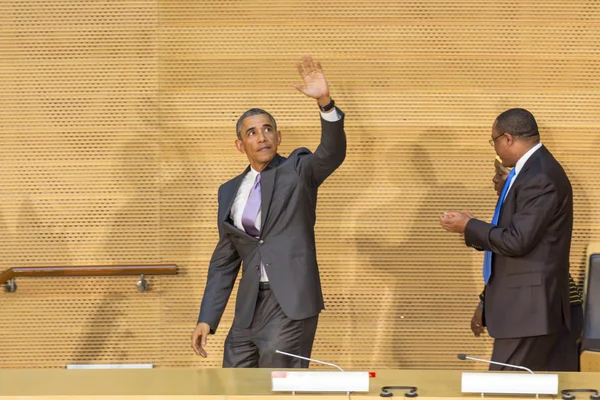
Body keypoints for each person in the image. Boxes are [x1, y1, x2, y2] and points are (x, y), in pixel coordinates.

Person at [190, 55, 346, 368]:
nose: (261, 137)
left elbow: (331, 153)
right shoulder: (229, 191)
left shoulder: (297, 170)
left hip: (288, 303)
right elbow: (224, 260)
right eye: (251, 132)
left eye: (267, 129)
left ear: (278, 137)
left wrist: (325, 103)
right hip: (248, 309)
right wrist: (207, 317)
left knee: (277, 387)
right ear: (240, 145)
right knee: (234, 385)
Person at [440, 108, 573, 371]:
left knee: (504, 391)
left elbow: (516, 241)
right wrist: (473, 228)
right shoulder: (530, 171)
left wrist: (469, 225)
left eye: (495, 141)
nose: (496, 149)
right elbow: (517, 236)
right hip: (525, 311)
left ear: (508, 138)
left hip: (529, 312)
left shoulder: (540, 177)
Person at [470, 159, 583, 371]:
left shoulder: (533, 202)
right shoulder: (517, 210)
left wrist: (469, 227)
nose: (494, 179)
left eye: (502, 175)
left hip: (544, 308)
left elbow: (517, 253)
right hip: (541, 307)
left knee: (507, 388)